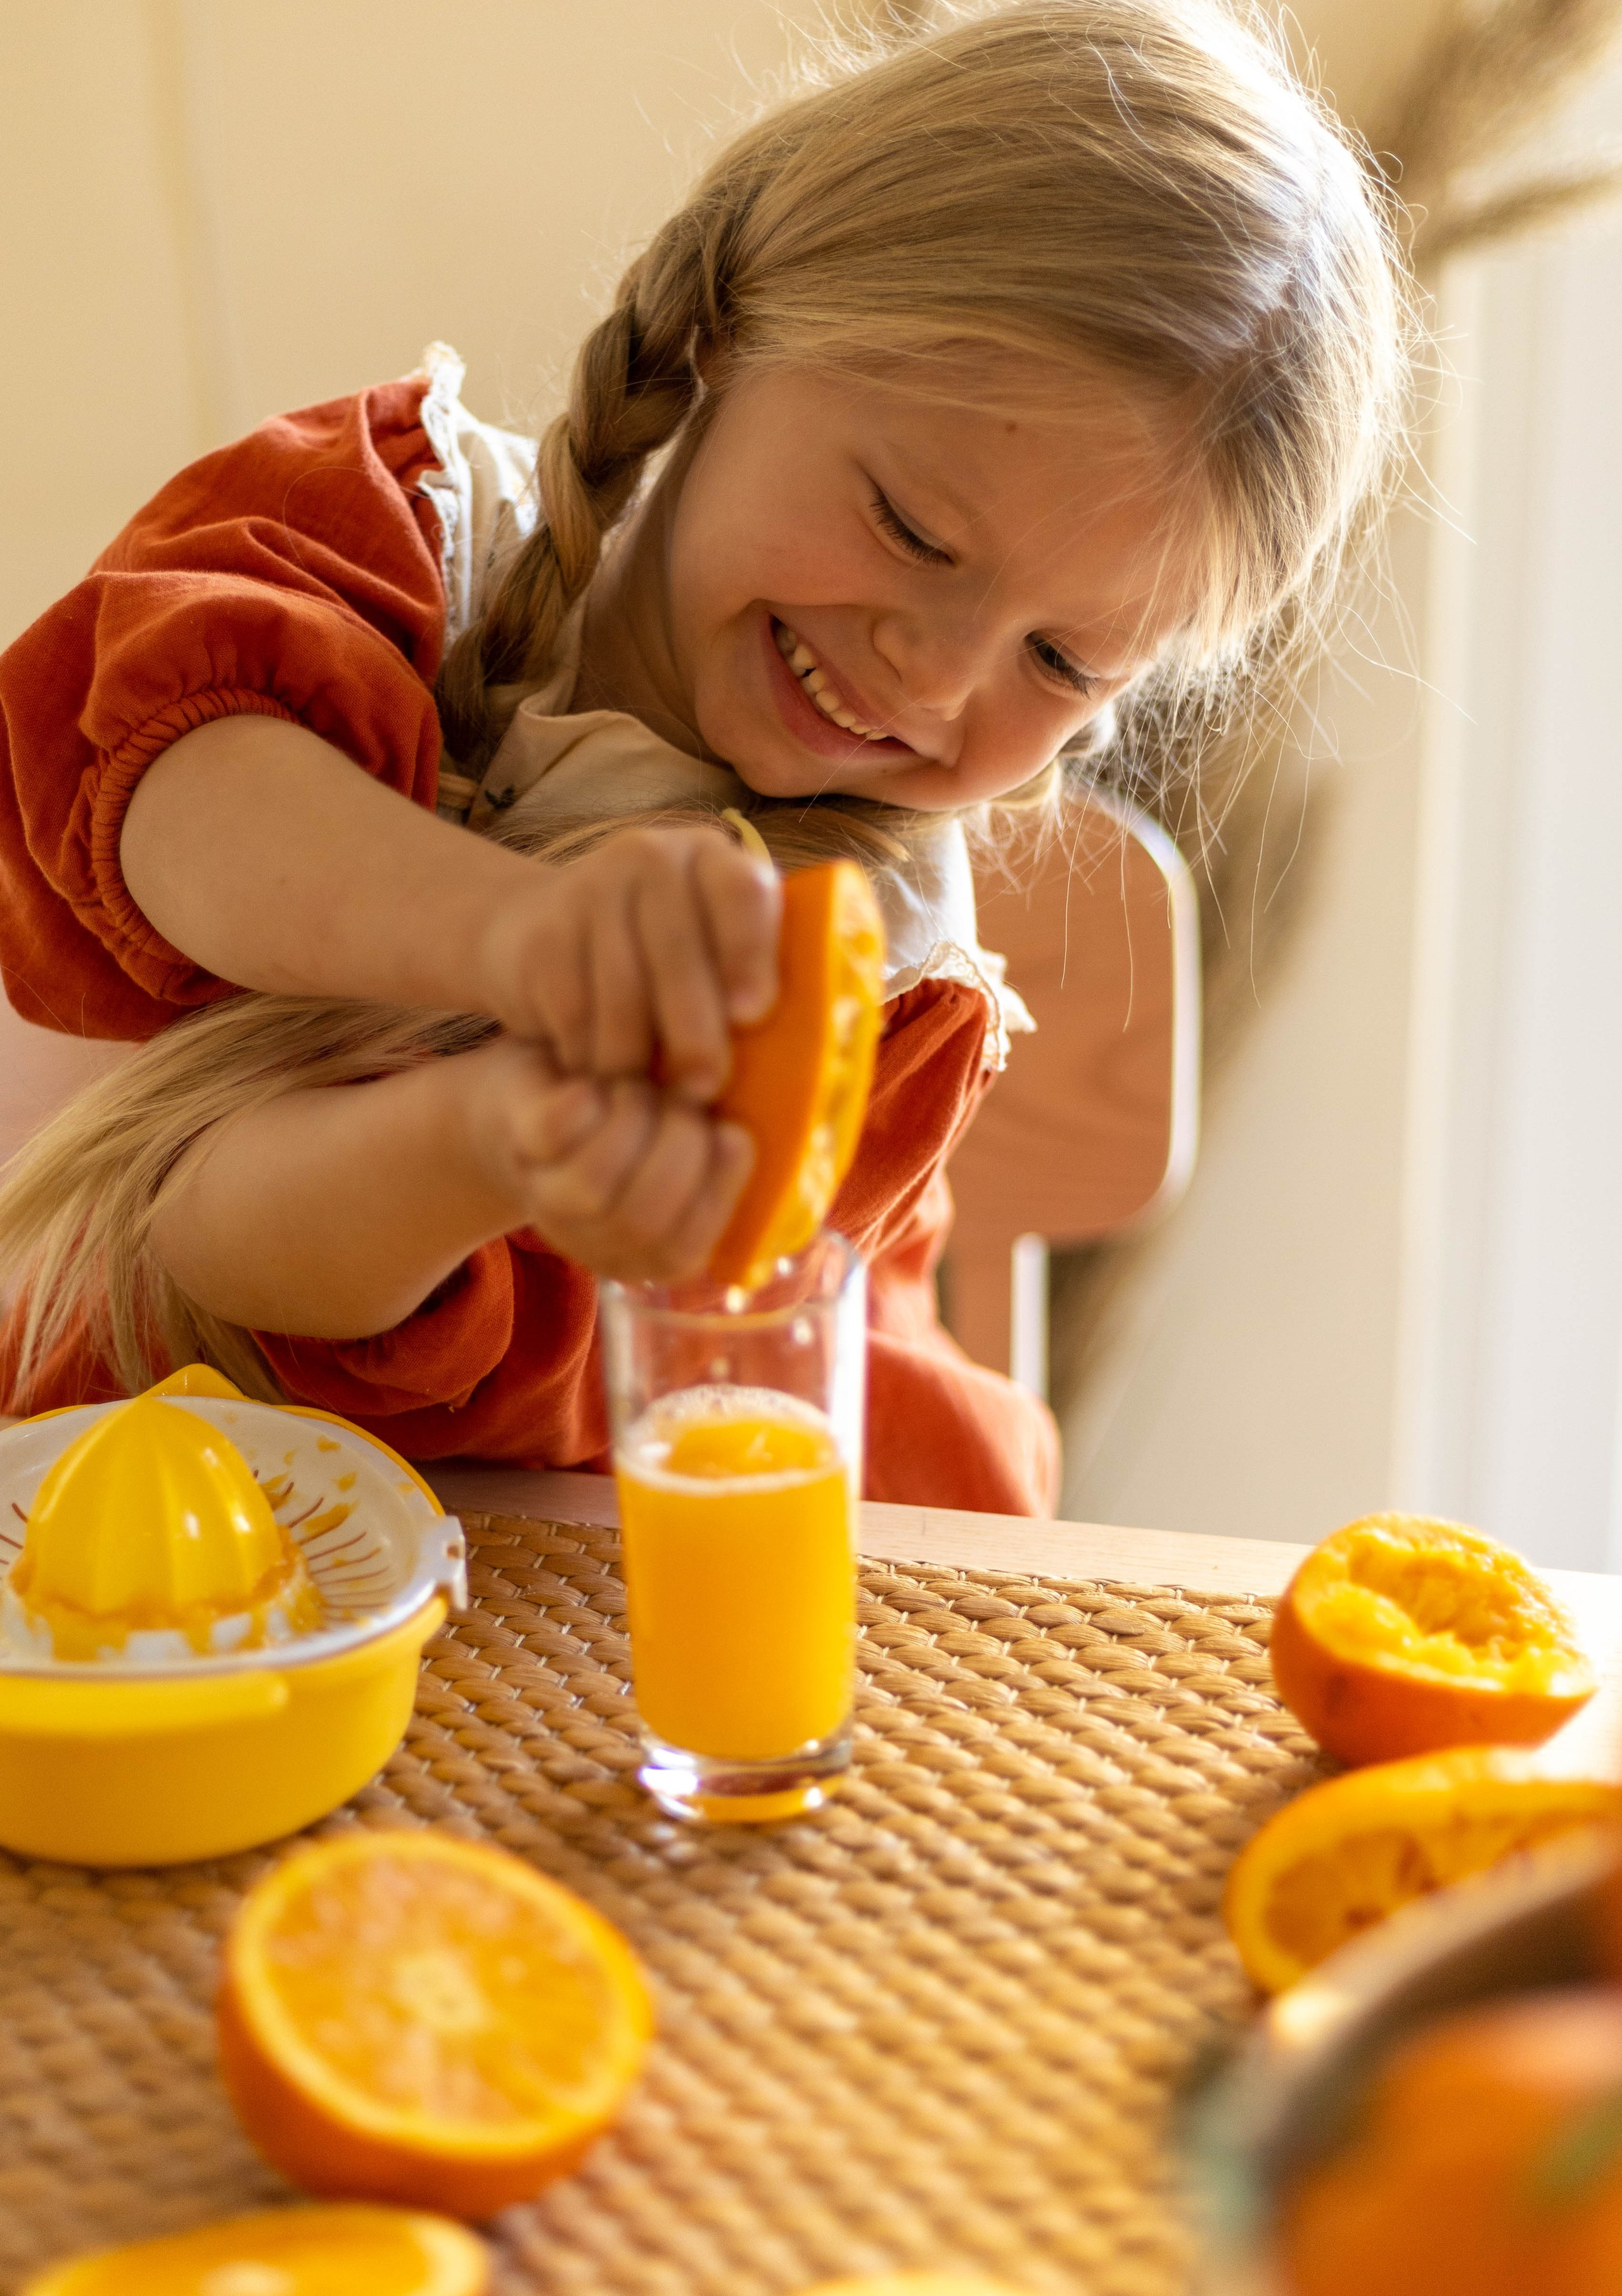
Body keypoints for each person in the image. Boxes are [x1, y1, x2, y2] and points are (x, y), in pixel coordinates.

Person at [0, 1, 1408, 1514]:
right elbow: (168, 800)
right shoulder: (386, 523)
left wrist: (495, 1145)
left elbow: (259, 1270)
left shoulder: (873, 1007)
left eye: (1060, 663)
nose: (931, 677)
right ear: (733, 327)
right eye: (913, 529)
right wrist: (523, 942)